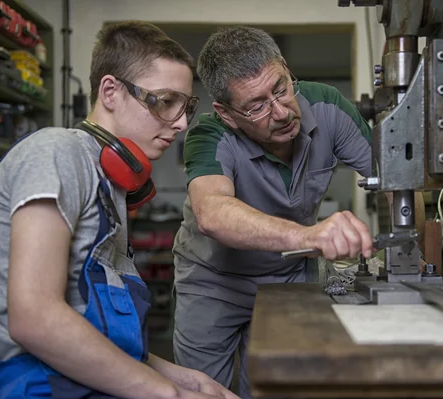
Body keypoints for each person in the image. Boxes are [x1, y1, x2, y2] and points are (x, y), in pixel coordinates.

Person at [0, 21, 238, 399]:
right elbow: (34, 318)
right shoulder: (57, 152)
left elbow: (97, 333)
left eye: (186, 106)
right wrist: (168, 393)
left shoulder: (110, 185)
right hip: (37, 385)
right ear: (110, 91)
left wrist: (183, 378)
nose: (183, 123)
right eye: (166, 101)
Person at [172, 25, 423, 398]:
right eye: (256, 106)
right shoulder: (210, 135)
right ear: (226, 113)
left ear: (287, 69)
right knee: (200, 392)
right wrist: (311, 235)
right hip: (214, 283)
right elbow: (212, 212)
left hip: (288, 280)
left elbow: (393, 179)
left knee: (277, 384)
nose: (281, 112)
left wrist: (411, 264)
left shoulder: (327, 106)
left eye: (281, 89)